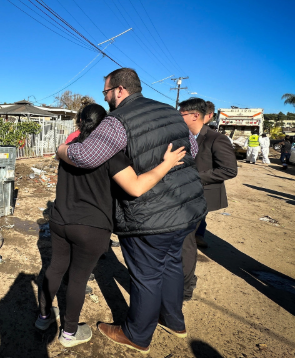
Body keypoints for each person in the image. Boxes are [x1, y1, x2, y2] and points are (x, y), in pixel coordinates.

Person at [57, 68, 207, 354]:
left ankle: (137, 334)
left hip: (152, 215)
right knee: (172, 265)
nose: (106, 98)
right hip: (189, 208)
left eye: (106, 93)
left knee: (147, 275)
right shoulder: (169, 111)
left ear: (120, 90)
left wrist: (62, 150)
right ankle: (174, 321)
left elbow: (87, 156)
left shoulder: (117, 120)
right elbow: (194, 150)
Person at [36, 104, 187, 348]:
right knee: (77, 278)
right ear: (105, 126)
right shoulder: (112, 155)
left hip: (60, 221)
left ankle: (43, 317)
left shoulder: (70, 150)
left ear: (79, 123)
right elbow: (136, 187)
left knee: (55, 268)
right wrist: (166, 164)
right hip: (91, 228)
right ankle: (69, 334)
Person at [178, 98, 238, 299]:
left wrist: (195, 175)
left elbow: (229, 170)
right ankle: (186, 280)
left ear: (195, 115)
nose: (179, 117)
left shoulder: (216, 138)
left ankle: (185, 288)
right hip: (183, 196)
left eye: (182, 114)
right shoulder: (184, 136)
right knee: (182, 240)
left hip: (201, 197)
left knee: (186, 241)